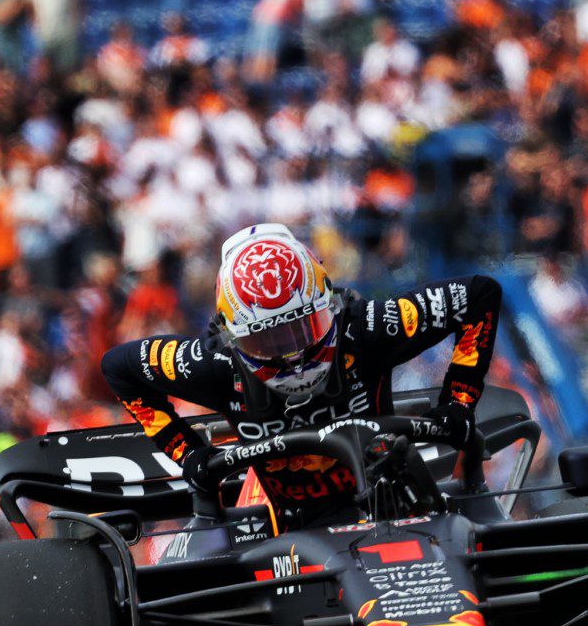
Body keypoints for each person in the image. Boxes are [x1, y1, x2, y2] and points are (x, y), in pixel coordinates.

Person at [102, 224, 502, 524]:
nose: (291, 355)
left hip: (390, 498)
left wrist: (458, 403)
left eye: (302, 328)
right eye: (268, 340)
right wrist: (187, 454)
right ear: (231, 335)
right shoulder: (215, 365)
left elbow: (481, 294)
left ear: (329, 302)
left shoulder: (367, 326)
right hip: (281, 521)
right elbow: (119, 368)